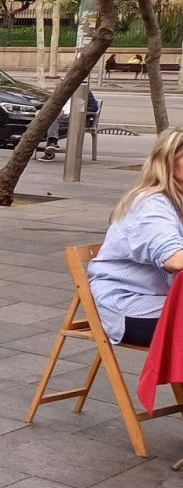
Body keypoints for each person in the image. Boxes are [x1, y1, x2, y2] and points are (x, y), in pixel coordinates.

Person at [88, 128, 183, 347]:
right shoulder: (150, 204)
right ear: (168, 162)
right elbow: (175, 259)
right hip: (132, 306)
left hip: (167, 303)